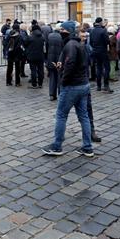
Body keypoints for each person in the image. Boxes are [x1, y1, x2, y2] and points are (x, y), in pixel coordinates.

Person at [42, 26, 94, 157]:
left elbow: (70, 63)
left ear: (69, 32)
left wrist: (63, 80)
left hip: (73, 86)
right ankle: (87, 147)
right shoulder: (78, 44)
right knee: (84, 116)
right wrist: (62, 66)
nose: (60, 32)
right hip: (83, 84)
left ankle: (56, 146)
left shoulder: (71, 44)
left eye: (63, 30)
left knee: (61, 115)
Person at [89, 17, 111, 92]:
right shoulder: (103, 30)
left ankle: (98, 86)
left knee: (98, 68)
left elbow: (91, 42)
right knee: (107, 68)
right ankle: (106, 85)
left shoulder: (92, 31)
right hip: (103, 51)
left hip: (95, 51)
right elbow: (107, 41)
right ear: (101, 22)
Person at [46, 24, 64, 101]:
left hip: (51, 58)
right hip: (59, 59)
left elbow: (47, 47)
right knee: (59, 77)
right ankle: (60, 94)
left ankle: (52, 94)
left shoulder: (49, 36)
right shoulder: (61, 37)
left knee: (52, 77)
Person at [25, 23, 45, 88]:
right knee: (41, 70)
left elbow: (25, 44)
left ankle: (34, 84)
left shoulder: (30, 37)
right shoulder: (42, 37)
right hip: (40, 56)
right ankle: (40, 84)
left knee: (33, 70)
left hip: (32, 56)